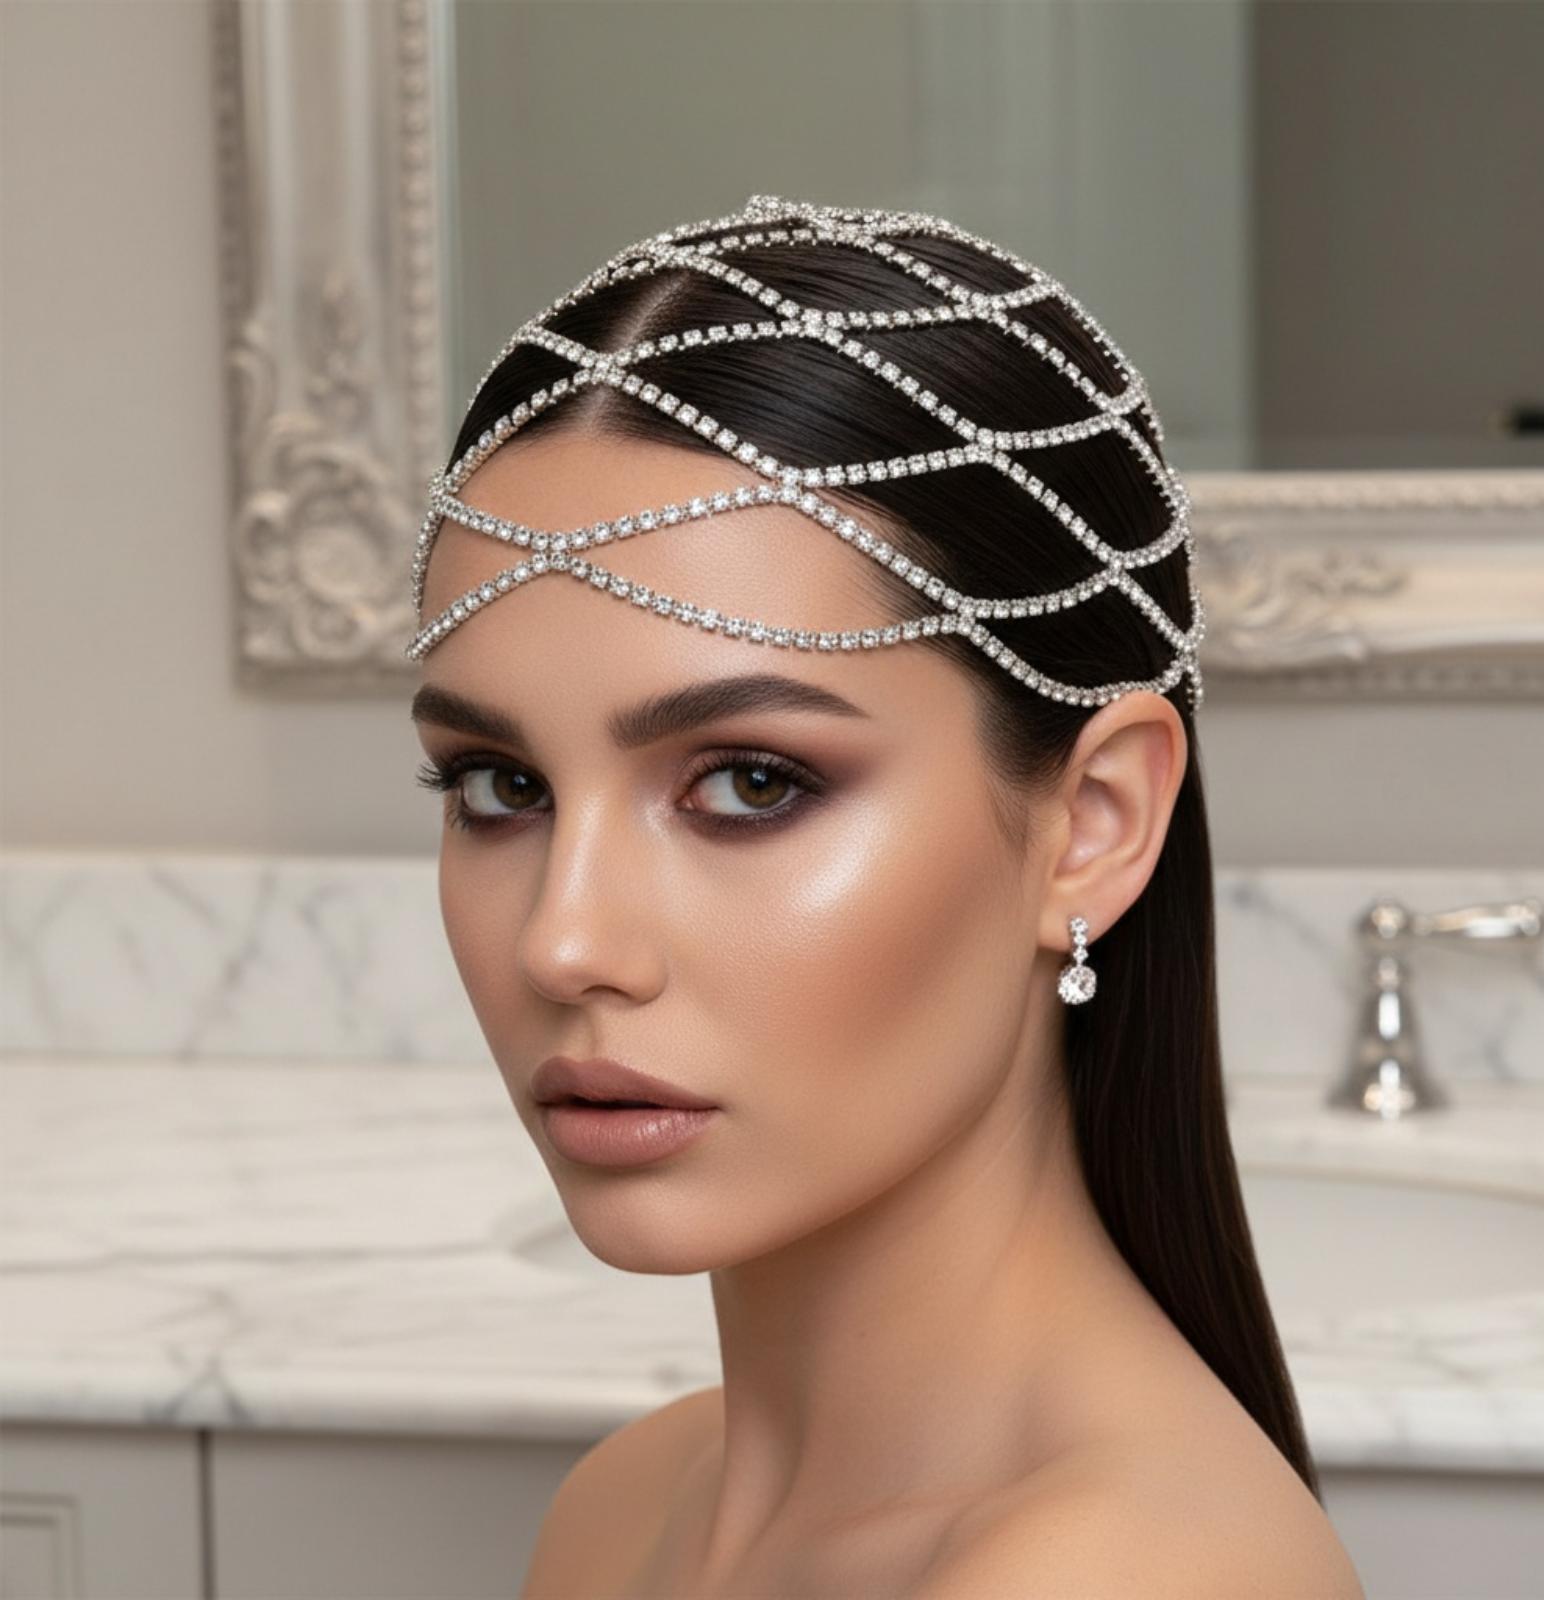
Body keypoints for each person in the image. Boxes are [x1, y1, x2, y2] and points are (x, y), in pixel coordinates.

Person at [407, 195, 1365, 1597]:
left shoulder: (1118, 1576)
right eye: (500, 786)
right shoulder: (627, 1507)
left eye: (751, 784)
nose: (565, 942)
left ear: (1094, 826)